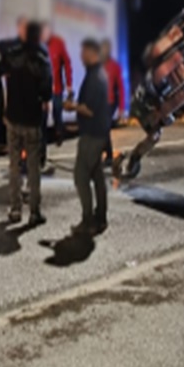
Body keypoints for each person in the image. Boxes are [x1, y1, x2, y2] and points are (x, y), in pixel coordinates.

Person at [0, 20, 52, 226]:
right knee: (33, 168)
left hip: (13, 117)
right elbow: (47, 92)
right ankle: (35, 212)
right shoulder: (42, 57)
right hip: (32, 120)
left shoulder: (13, 53)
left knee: (14, 166)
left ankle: (15, 209)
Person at [65, 39, 112, 235]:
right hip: (100, 133)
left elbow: (90, 110)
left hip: (92, 135)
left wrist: (72, 106)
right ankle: (100, 217)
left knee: (80, 176)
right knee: (97, 177)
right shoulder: (99, 74)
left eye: (83, 52)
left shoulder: (95, 77)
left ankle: (89, 220)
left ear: (92, 53)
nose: (81, 56)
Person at [43, 24, 73, 173]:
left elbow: (66, 63)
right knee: (42, 119)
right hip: (43, 89)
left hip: (57, 88)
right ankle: (41, 154)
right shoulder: (40, 45)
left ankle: (59, 131)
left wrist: (69, 83)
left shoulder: (58, 44)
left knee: (57, 112)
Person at [100, 37, 125, 122]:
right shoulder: (96, 66)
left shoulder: (115, 67)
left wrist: (121, 108)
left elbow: (121, 88)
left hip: (109, 102)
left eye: (106, 49)